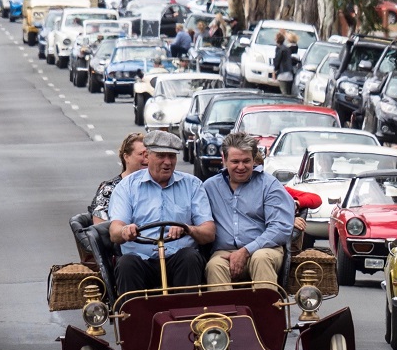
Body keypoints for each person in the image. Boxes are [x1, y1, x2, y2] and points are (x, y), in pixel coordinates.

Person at [108, 131, 215, 295]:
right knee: (126, 264)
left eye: (172, 156)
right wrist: (125, 231)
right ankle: (133, 319)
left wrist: (189, 229)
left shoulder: (192, 185)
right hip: (141, 260)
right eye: (161, 156)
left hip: (178, 259)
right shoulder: (127, 186)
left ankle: (186, 316)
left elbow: (209, 232)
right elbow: (115, 231)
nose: (167, 162)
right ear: (147, 155)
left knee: (190, 258)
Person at [204, 132, 296, 288]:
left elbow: (280, 228)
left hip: (265, 249)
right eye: (235, 161)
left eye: (246, 161)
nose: (241, 167)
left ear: (254, 159)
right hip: (224, 252)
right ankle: (224, 313)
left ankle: (266, 311)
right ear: (224, 160)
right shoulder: (210, 187)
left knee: (260, 259)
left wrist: (246, 250)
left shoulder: (269, 185)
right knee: (214, 266)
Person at [89, 132, 147, 223]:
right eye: (141, 154)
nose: (146, 159)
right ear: (126, 157)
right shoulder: (109, 189)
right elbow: (98, 227)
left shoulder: (158, 185)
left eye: (149, 154)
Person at [273, 30, 295, 96]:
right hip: (290, 74)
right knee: (289, 93)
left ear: (276, 40)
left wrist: (274, 71)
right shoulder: (287, 48)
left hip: (282, 74)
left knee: (284, 93)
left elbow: (277, 61)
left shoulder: (279, 49)